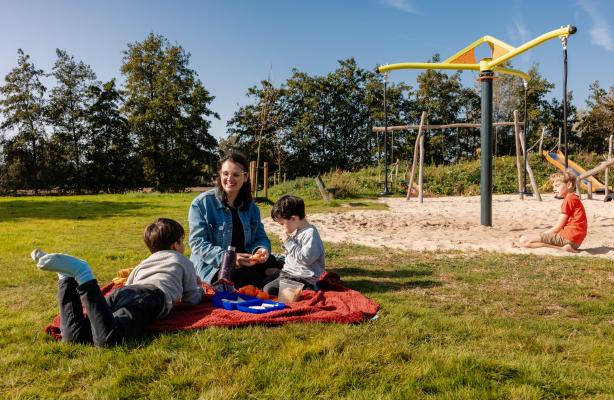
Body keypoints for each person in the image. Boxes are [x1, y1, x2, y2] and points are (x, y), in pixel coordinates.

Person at [33, 218, 204, 347]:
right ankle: (82, 273)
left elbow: (128, 284)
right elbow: (191, 298)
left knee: (76, 337)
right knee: (110, 340)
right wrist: (199, 287)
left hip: (124, 293)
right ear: (175, 245)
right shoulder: (183, 261)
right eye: (182, 242)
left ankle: (65, 278)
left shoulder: (145, 262)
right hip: (151, 297)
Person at [188, 152, 279, 288]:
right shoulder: (202, 204)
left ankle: (268, 278)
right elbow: (198, 243)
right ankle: (266, 280)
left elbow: (260, 236)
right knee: (247, 277)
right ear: (220, 175)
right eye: (225, 174)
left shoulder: (251, 207)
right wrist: (231, 259)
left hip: (247, 260)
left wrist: (262, 249)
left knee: (274, 263)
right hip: (213, 265)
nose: (229, 179)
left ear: (246, 177)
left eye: (236, 175)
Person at [263, 195, 326, 295]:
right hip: (290, 273)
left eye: (282, 224)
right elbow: (294, 254)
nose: (282, 228)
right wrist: (286, 245)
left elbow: (305, 259)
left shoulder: (310, 233)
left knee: (269, 290)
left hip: (303, 277)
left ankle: (309, 289)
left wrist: (288, 242)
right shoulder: (299, 231)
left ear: (293, 218)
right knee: (262, 283)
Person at [520, 172, 587, 253]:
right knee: (529, 242)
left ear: (569, 185)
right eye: (553, 186)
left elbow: (558, 226)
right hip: (576, 241)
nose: (554, 189)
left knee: (525, 239)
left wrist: (543, 235)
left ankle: (562, 248)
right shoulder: (574, 198)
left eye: (557, 186)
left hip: (569, 237)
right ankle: (565, 248)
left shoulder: (569, 200)